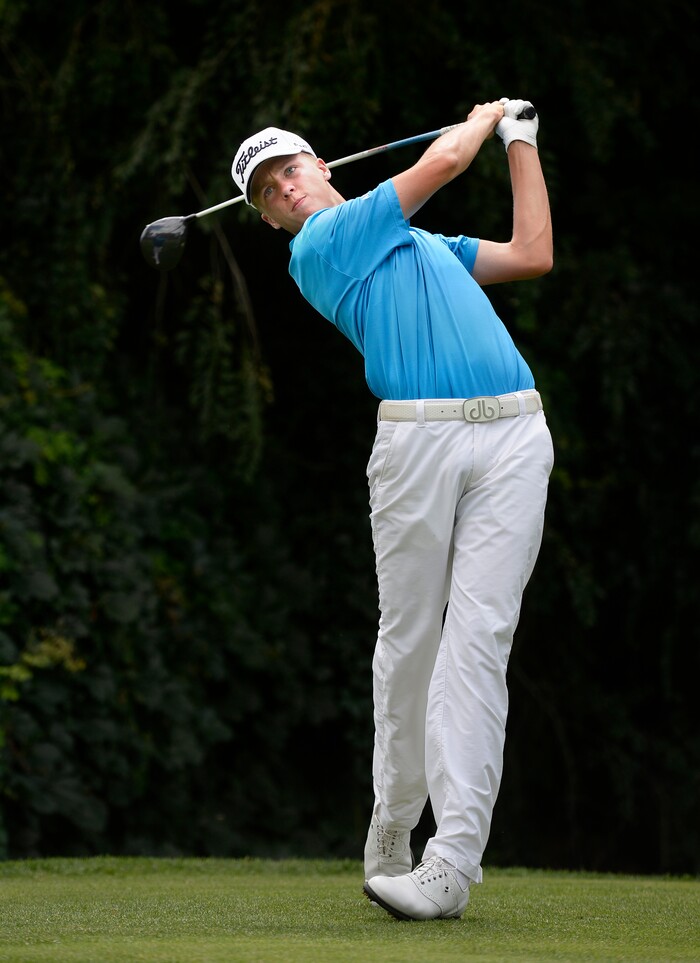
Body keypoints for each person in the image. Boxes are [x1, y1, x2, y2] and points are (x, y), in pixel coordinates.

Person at [231, 99, 554, 921]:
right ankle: (393, 821)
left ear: (323, 165)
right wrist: (484, 117)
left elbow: (531, 254)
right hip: (417, 448)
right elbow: (442, 165)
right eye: (269, 190)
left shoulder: (422, 247)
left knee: (478, 642)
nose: (287, 189)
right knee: (410, 640)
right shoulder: (321, 247)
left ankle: (450, 863)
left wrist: (521, 142)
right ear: (270, 220)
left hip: (517, 434)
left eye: (292, 168)